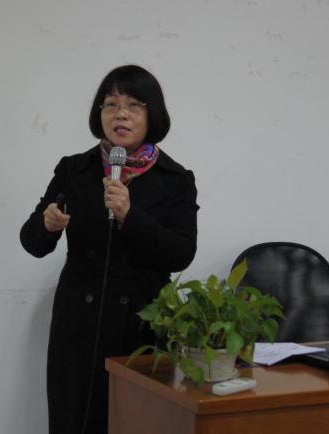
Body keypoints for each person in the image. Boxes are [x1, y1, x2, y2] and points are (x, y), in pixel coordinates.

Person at [20, 65, 198, 434]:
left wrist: (131, 216)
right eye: (111, 104)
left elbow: (181, 253)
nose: (121, 114)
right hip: (79, 321)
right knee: (76, 420)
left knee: (138, 421)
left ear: (152, 114)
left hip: (143, 319)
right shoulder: (74, 169)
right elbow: (31, 242)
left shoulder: (177, 179)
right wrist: (46, 225)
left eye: (134, 105)